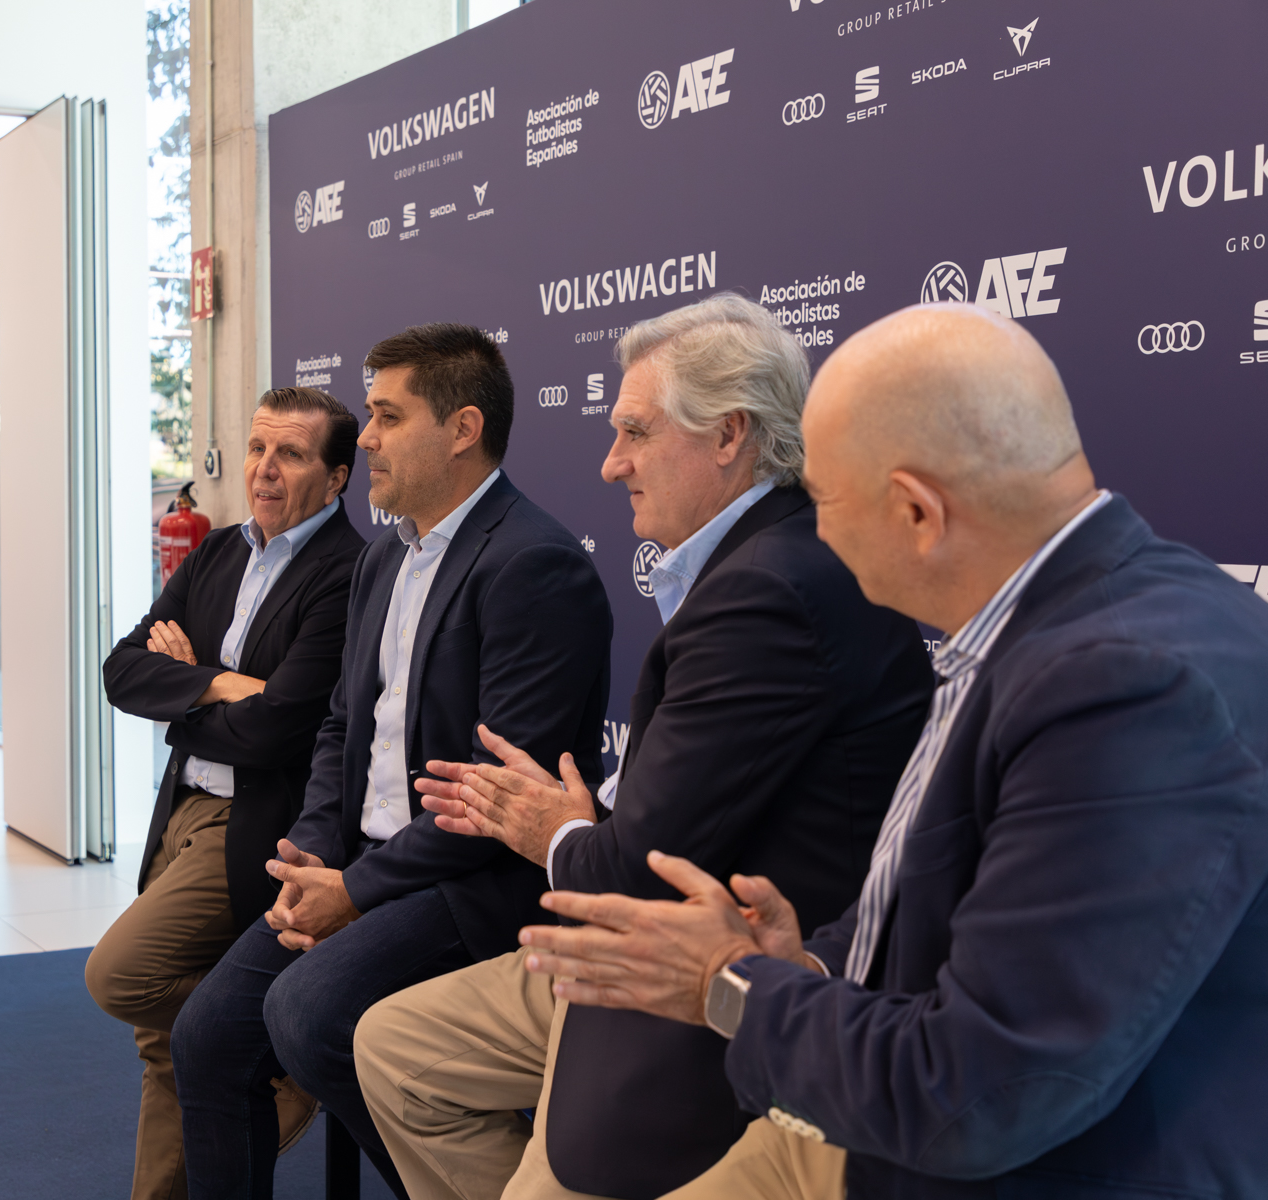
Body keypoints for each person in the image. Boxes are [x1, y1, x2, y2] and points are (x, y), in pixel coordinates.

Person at [515, 302, 1268, 1199]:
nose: (818, 536)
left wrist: (730, 983)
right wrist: (811, 964)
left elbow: (983, 1091)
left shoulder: (1120, 688)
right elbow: (955, 915)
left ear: (916, 510)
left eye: (825, 503)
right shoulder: (1070, 621)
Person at [353, 294, 934, 1200]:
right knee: (393, 1046)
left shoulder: (767, 592)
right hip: (634, 927)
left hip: (705, 970)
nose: (611, 462)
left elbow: (636, 866)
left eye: (634, 432)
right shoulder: (757, 563)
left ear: (729, 435)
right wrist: (572, 825)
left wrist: (551, 830)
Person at [170, 323, 614, 1199]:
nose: (365, 437)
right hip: (359, 863)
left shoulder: (534, 564)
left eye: (387, 416)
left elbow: (496, 803)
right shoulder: (384, 558)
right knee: (206, 1037)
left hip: (469, 883)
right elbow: (342, 725)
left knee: (310, 1015)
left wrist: (356, 891)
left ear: (462, 429)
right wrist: (312, 852)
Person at [93, 387, 367, 1200]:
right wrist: (218, 684)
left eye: (291, 454)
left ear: (337, 476)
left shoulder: (348, 572)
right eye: (257, 449)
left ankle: (276, 1048)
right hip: (178, 810)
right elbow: (122, 670)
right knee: (160, 1046)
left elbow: (279, 728)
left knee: (121, 976)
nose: (264, 470)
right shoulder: (218, 551)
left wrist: (184, 688)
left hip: (250, 823)